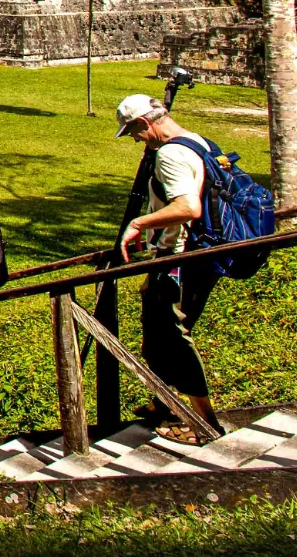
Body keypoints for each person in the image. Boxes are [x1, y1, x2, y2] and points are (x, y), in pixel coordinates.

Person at [115, 93, 224, 438]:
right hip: (198, 253)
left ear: (145, 123)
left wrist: (140, 223)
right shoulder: (197, 141)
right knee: (158, 334)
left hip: (178, 259)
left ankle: (206, 423)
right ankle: (165, 403)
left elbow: (188, 207)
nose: (134, 139)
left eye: (133, 132)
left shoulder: (170, 154)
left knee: (174, 338)